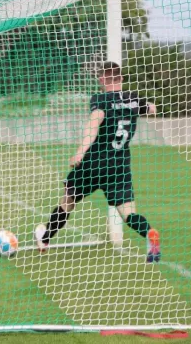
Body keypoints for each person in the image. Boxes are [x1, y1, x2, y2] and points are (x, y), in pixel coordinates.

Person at [35, 61, 161, 263]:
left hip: (94, 163)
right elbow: (152, 108)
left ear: (102, 79)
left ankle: (45, 239)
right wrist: (141, 107)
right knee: (128, 214)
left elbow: (94, 124)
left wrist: (79, 152)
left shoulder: (100, 99)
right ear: (121, 78)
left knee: (68, 200)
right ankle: (149, 234)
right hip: (120, 165)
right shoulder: (134, 98)